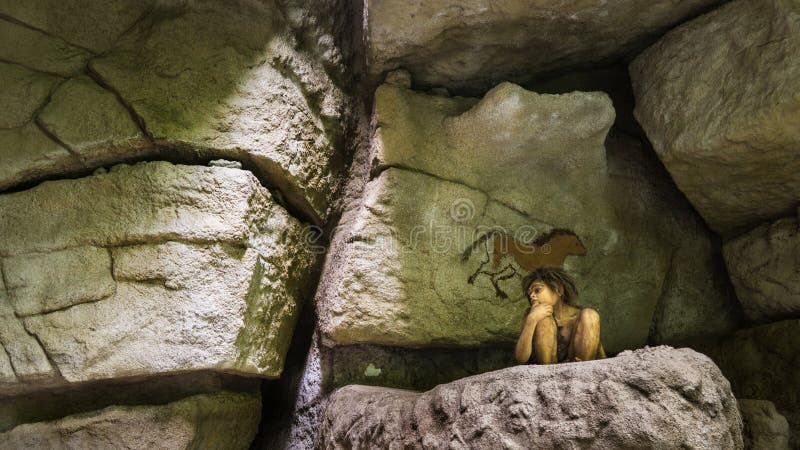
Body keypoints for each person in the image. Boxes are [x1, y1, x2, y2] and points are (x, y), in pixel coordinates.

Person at [514, 267, 606, 364]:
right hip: (547, 372)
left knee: (590, 314)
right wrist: (531, 319)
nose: (532, 296)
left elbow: (600, 354)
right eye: (530, 293)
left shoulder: (582, 317)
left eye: (537, 290)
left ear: (559, 289)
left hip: (579, 370)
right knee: (544, 319)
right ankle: (547, 372)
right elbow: (520, 359)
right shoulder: (533, 315)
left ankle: (582, 368)